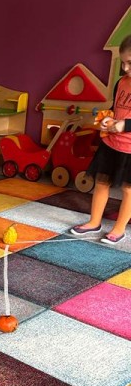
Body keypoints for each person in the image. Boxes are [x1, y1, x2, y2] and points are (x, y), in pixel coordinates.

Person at [70, 35, 131, 244]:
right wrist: (109, 118)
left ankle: (119, 229)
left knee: (128, 190)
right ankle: (94, 222)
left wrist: (126, 125)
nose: (125, 68)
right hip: (111, 143)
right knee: (101, 182)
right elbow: (116, 108)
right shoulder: (121, 83)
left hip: (130, 149)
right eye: (123, 63)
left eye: (130, 63)